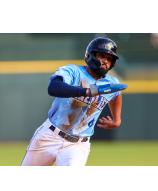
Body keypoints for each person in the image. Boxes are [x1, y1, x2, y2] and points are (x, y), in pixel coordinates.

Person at [21, 37, 123, 166]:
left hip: (77, 146)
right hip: (49, 136)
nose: (105, 61)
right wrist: (87, 91)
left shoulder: (111, 83)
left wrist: (117, 119)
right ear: (90, 54)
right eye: (102, 56)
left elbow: (116, 95)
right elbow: (53, 87)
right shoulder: (73, 71)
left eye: (109, 59)